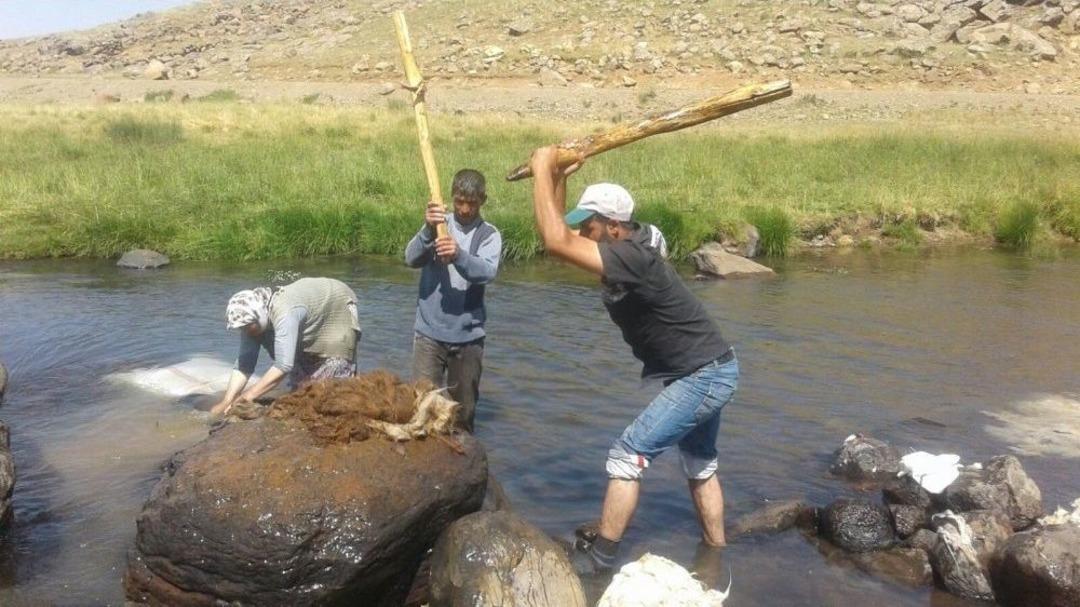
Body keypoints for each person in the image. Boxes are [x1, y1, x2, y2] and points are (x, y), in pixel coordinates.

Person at [527, 146, 739, 573]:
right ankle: (716, 555)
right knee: (699, 465)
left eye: (590, 226)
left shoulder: (632, 256)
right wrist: (556, 174)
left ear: (613, 227)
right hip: (710, 368)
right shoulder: (627, 246)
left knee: (626, 454)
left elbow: (554, 241)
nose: (583, 234)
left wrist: (538, 169)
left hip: (702, 376)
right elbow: (563, 234)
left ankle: (602, 559)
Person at [404, 169, 502, 432]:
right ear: (452, 198)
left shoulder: (489, 234)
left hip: (468, 338)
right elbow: (411, 259)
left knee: (462, 414)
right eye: (460, 201)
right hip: (429, 334)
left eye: (472, 203)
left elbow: (486, 272)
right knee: (422, 407)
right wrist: (427, 230)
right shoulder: (437, 223)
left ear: (483, 200)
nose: (465, 209)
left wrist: (458, 254)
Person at [210, 277, 360, 416]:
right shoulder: (251, 321)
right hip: (308, 311)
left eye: (248, 326)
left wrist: (245, 398)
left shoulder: (285, 312)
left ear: (260, 315)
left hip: (337, 303)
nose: (246, 331)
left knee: (332, 388)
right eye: (241, 328)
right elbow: (244, 365)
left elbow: (283, 366)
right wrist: (226, 402)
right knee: (301, 390)